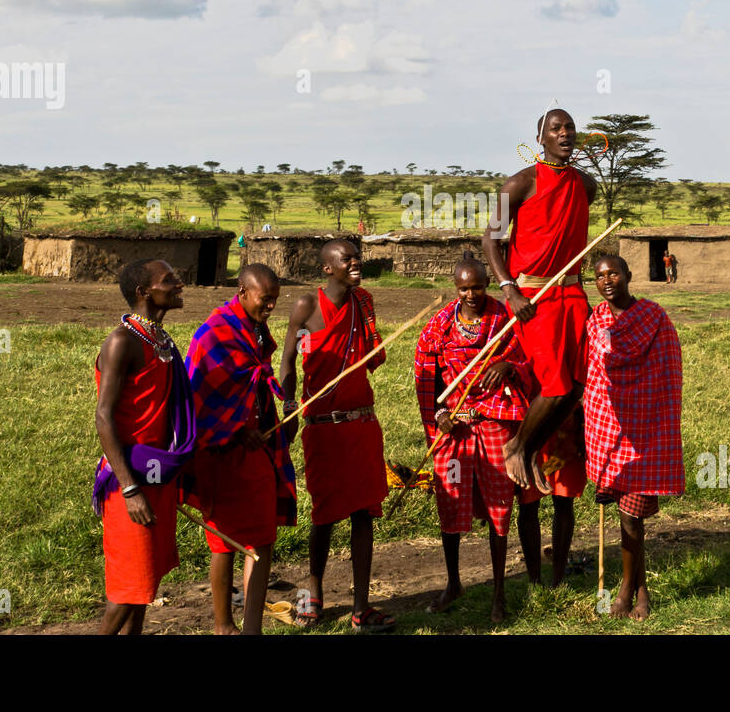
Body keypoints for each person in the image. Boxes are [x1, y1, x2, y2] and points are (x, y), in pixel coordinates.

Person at [483, 107, 595, 585]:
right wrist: (509, 289)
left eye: (570, 128)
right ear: (540, 137)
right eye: (556, 129)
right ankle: (519, 446)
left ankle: (532, 448)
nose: (564, 135)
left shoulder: (586, 185)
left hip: (573, 290)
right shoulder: (518, 184)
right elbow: (490, 239)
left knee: (575, 389)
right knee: (552, 383)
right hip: (533, 295)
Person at [280, 239, 395, 632]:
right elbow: (289, 363)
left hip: (362, 422)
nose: (356, 263)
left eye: (357, 257)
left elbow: (372, 354)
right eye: (347, 259)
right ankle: (313, 593)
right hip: (322, 426)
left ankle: (361, 608)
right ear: (328, 268)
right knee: (325, 514)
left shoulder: (364, 302)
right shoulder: (306, 306)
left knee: (365, 513)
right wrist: (287, 408)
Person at [414, 253, 535, 622]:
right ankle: (454, 583)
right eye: (464, 288)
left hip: (494, 422)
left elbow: (528, 356)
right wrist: (439, 415)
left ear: (487, 284)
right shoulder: (439, 326)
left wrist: (507, 365)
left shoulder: (504, 319)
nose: (471, 294)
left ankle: (499, 592)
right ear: (456, 287)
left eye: (478, 287)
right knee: (450, 506)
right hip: (455, 430)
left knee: (500, 508)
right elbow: (427, 374)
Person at [184, 263, 296, 635]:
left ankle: (252, 629)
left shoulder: (256, 329)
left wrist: (269, 420)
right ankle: (223, 625)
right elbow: (199, 398)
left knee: (262, 537)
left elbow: (255, 387)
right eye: (266, 300)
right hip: (222, 455)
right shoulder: (213, 334)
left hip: (259, 449)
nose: (271, 308)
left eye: (276, 300)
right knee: (224, 541)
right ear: (243, 291)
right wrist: (234, 431)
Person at [92, 259, 195, 635]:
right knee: (128, 587)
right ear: (143, 293)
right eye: (170, 280)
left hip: (156, 471)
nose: (179, 284)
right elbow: (104, 418)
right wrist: (131, 489)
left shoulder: (161, 341)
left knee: (145, 582)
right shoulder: (123, 342)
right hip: (129, 479)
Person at [583, 255, 684, 621]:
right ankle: (640, 589)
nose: (607, 280)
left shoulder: (654, 318)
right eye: (599, 276)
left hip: (646, 430)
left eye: (613, 273)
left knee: (631, 516)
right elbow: (593, 378)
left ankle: (626, 591)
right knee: (628, 518)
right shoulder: (595, 321)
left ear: (628, 275)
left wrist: (661, 420)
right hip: (609, 429)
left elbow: (668, 371)